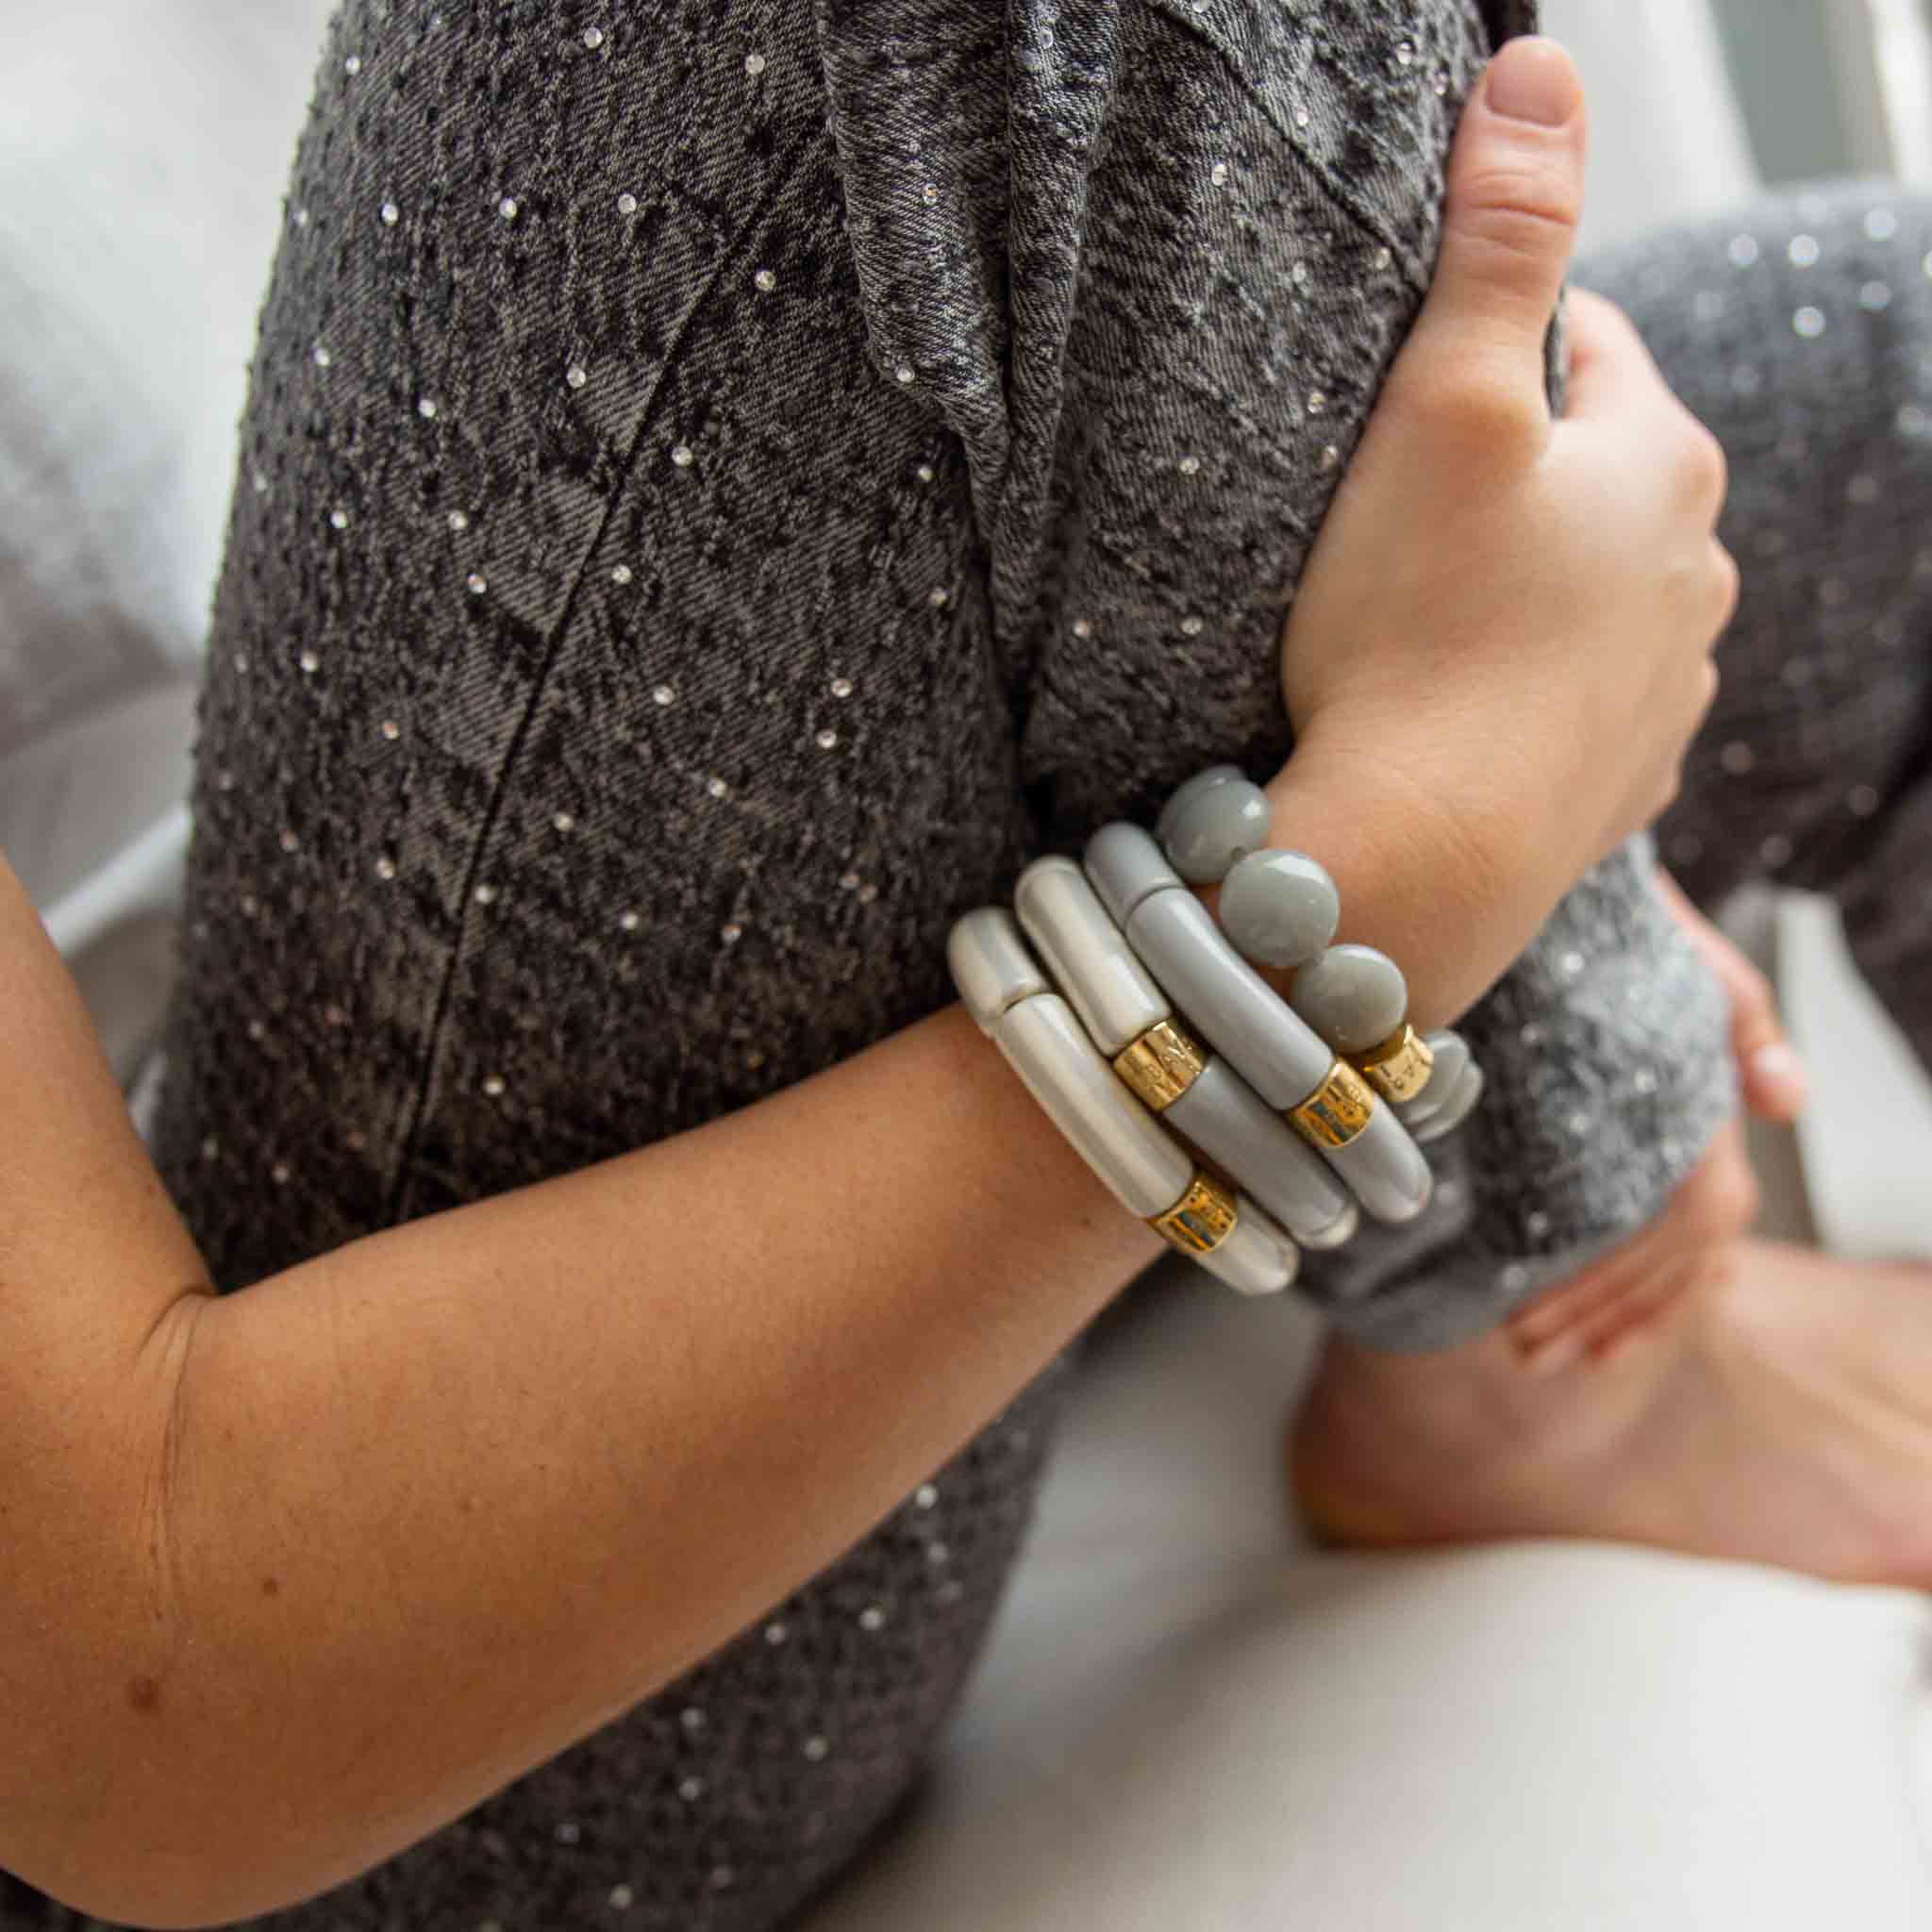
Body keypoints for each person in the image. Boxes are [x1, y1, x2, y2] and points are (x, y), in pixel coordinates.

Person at [4, 2, 1931, 1926]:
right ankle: (1566, 1323)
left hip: (753, 902)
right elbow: (138, 1706)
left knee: (1894, 370)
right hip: (390, 1664)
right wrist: (1443, 850)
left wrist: (1530, 774)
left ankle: (1512, 1196)